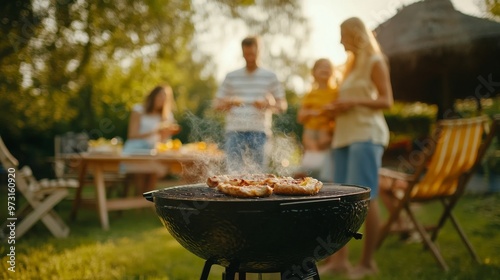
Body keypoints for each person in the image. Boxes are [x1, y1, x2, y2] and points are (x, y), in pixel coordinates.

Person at [318, 17, 394, 279]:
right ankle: (340, 260)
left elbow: (386, 100)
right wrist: (335, 108)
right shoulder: (349, 67)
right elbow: (348, 101)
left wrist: (352, 103)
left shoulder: (375, 61)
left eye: (343, 35)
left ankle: (367, 262)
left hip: (366, 135)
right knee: (340, 201)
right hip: (343, 137)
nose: (340, 41)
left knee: (366, 199)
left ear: (355, 34)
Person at [213, 36, 287, 174]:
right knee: (233, 174)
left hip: (260, 132)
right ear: (242, 52)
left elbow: (282, 105)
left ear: (259, 51)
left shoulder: (270, 76)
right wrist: (229, 102)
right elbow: (216, 104)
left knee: (258, 175)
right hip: (234, 131)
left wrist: (268, 104)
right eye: (246, 54)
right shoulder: (231, 76)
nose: (249, 57)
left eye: (252, 54)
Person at [122, 84, 180, 193]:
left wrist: (165, 134)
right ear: (153, 96)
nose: (161, 100)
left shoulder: (167, 117)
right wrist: (155, 131)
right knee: (153, 168)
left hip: (153, 151)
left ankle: (144, 200)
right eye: (160, 97)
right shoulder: (138, 110)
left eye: (164, 99)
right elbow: (132, 135)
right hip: (135, 150)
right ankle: (141, 200)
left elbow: (163, 142)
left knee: (158, 169)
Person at [296, 58, 338, 178]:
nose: (325, 69)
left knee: (327, 171)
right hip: (311, 134)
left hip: (328, 134)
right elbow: (300, 116)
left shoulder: (336, 92)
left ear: (333, 72)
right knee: (311, 168)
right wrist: (312, 113)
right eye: (321, 67)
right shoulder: (311, 94)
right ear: (314, 72)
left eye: (328, 67)